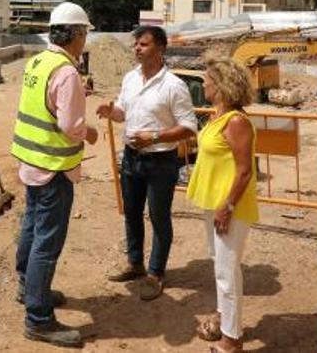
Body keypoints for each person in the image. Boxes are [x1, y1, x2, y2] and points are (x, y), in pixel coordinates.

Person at [11, 1, 99, 348]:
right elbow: (70, 125)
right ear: (76, 34)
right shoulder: (66, 72)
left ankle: (28, 288)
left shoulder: (38, 62)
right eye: (84, 34)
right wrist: (89, 131)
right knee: (46, 244)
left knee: (31, 229)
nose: (85, 42)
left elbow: (43, 106)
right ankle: (38, 319)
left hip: (32, 164)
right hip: (54, 169)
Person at [97, 25, 197, 301]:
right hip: (131, 158)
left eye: (143, 44)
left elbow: (189, 127)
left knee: (158, 216)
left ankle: (155, 273)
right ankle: (135, 263)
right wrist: (111, 112)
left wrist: (154, 136)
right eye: (136, 44)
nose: (137, 48)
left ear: (161, 48)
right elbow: (122, 113)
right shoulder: (130, 78)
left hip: (161, 162)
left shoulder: (174, 86)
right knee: (131, 213)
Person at [186, 55, 259, 353]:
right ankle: (223, 319)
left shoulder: (237, 122)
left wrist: (227, 207)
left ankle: (232, 341)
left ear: (222, 86)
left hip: (229, 206)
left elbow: (244, 170)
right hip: (214, 203)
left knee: (227, 274)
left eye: (207, 81)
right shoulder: (218, 116)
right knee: (220, 267)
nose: (203, 84)